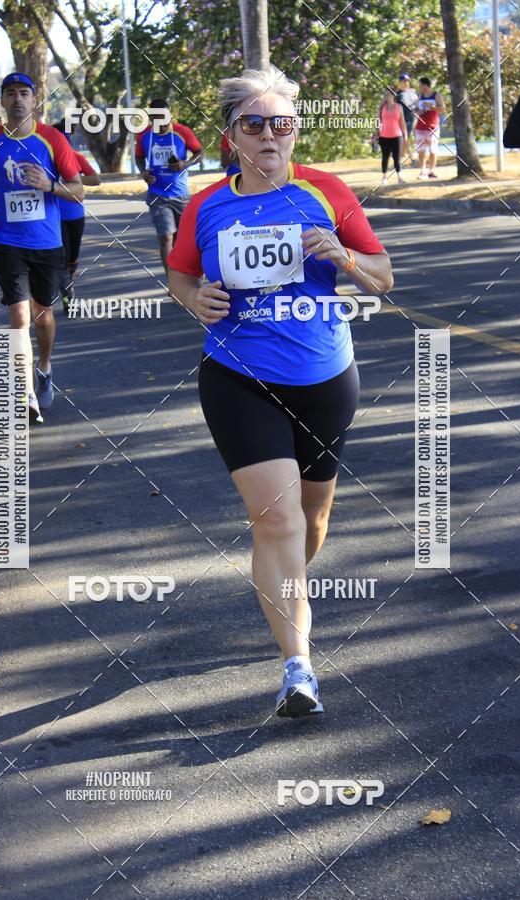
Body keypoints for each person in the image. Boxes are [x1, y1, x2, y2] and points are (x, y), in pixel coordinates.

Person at [168, 66, 393, 718]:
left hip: (325, 379)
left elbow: (384, 278)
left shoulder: (327, 193)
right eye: (255, 125)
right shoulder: (207, 205)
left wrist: (345, 259)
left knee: (311, 520)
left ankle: (283, 576)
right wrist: (195, 299)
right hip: (239, 378)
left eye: (282, 124)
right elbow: (180, 275)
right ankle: (299, 669)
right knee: (279, 519)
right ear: (232, 135)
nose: (270, 135)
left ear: (296, 131)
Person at [0, 73, 83, 424]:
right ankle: (25, 392)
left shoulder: (52, 139)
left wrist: (51, 185)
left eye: (24, 93)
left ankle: (45, 367)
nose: (18, 99)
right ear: (2, 102)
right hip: (7, 243)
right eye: (10, 94)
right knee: (19, 317)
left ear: (34, 100)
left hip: (47, 244)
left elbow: (79, 190)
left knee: (43, 315)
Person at [135, 98, 203, 273]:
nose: (162, 122)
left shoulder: (182, 132)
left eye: (165, 117)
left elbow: (200, 152)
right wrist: (143, 172)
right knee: (165, 237)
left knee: (184, 239)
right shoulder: (144, 135)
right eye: (157, 118)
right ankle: (172, 282)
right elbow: (139, 156)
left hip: (180, 195)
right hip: (157, 195)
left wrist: (185, 164)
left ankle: (190, 276)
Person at [53, 121, 101, 313]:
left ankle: (68, 284)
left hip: (74, 213)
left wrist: (72, 179)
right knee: (62, 256)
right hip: (54, 215)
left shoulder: (76, 156)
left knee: (73, 257)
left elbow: (96, 179)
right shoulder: (45, 157)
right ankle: (68, 295)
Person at [414, 76, 445, 179]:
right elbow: (416, 110)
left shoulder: (436, 95)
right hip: (420, 127)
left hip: (433, 127)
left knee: (433, 150)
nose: (419, 87)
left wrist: (431, 107)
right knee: (421, 150)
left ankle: (432, 170)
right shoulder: (420, 96)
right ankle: (423, 170)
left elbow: (442, 109)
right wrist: (419, 111)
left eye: (420, 85)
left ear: (426, 85)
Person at [376, 88, 408, 184]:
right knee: (385, 157)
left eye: (388, 95)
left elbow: (402, 122)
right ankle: (384, 177)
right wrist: (377, 133)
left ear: (393, 95)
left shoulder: (399, 107)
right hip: (384, 136)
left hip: (397, 136)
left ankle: (399, 176)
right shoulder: (382, 108)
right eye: (385, 95)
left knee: (396, 157)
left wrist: (405, 134)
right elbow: (378, 121)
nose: (386, 97)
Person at [396, 74, 418, 164]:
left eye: (407, 81)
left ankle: (401, 158)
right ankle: (410, 158)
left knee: (406, 138)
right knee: (405, 138)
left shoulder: (413, 92)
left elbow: (417, 104)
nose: (407, 83)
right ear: (400, 82)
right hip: (402, 120)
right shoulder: (398, 94)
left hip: (412, 119)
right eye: (404, 81)